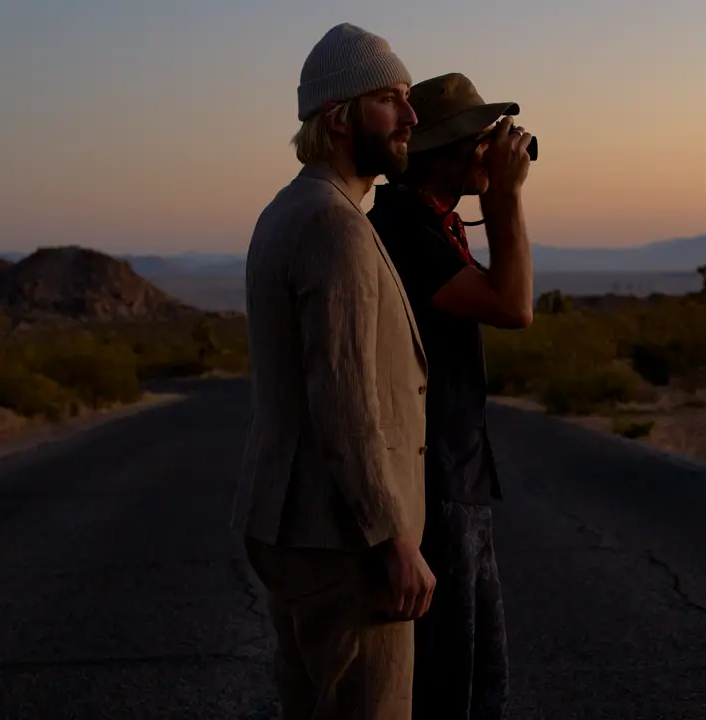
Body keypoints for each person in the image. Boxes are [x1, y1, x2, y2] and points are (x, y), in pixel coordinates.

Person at [234, 23, 436, 720]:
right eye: (392, 99)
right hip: (342, 543)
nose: (412, 117)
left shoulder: (285, 211)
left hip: (297, 529)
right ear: (340, 116)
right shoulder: (334, 227)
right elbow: (344, 401)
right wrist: (393, 538)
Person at [366, 72, 535, 720]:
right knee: (450, 686)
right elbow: (512, 305)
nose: (497, 150)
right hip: (434, 481)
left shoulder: (430, 223)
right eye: (484, 139)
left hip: (456, 473)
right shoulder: (406, 230)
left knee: (479, 680)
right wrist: (508, 201)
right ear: (451, 150)